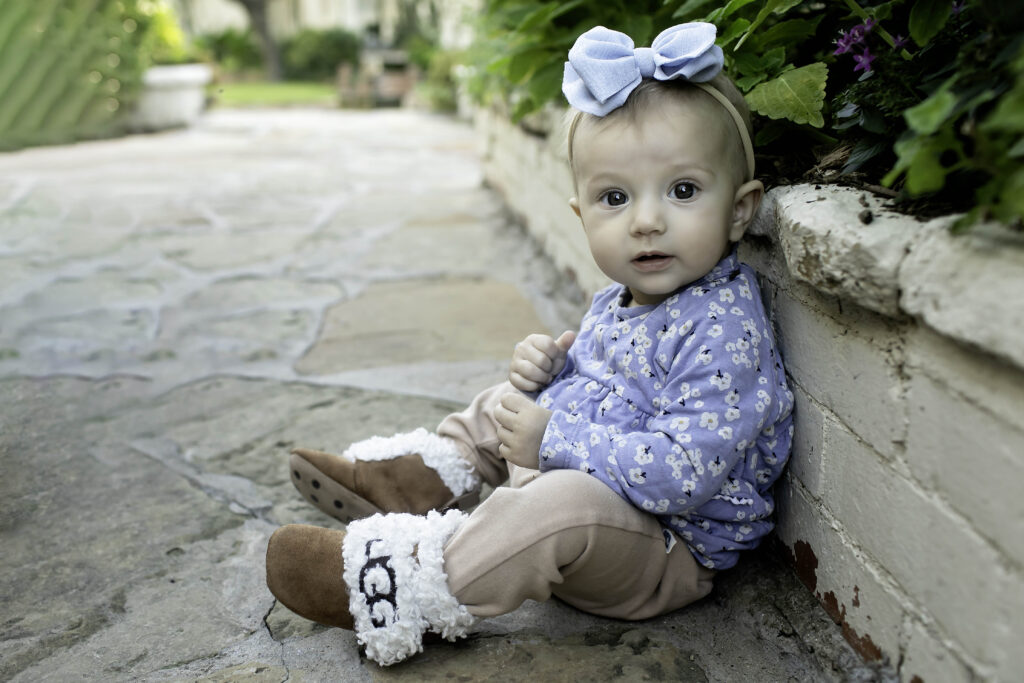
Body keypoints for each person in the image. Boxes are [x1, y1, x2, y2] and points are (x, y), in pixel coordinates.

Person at [265, 22, 794, 667]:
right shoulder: (631, 293)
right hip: (598, 486)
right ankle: (412, 481)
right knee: (504, 400)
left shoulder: (724, 329)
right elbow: (616, 389)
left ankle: (406, 580)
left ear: (740, 210)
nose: (646, 219)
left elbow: (682, 474)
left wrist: (555, 440)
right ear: (582, 215)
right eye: (615, 198)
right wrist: (555, 370)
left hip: (660, 549)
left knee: (557, 507)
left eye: (683, 191)